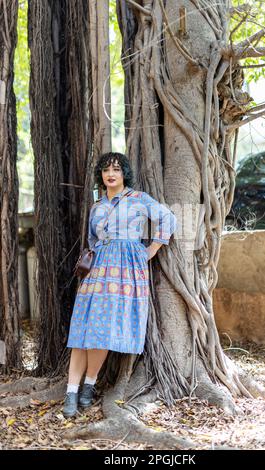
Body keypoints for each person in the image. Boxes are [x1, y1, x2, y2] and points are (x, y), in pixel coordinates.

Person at [63, 152, 177, 417]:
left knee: (103, 330)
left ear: (124, 173)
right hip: (97, 272)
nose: (110, 174)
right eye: (105, 170)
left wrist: (150, 250)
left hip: (126, 272)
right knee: (82, 329)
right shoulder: (97, 206)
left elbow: (168, 219)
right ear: (100, 176)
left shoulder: (139, 199)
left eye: (115, 169)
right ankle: (71, 392)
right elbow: (93, 240)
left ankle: (88, 388)